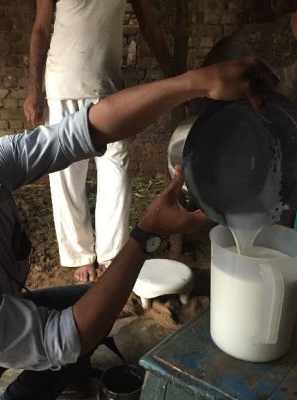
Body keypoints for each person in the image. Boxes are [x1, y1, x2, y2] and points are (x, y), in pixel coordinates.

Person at [0, 58, 278, 399]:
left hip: (1, 309)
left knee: (87, 303)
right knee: (69, 338)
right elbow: (65, 338)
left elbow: (84, 129)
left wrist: (198, 82)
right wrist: (146, 233)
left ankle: (70, 383)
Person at [23, 0, 175, 283]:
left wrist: (175, 77)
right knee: (67, 172)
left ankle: (112, 252)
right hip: (62, 83)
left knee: (118, 170)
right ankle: (79, 254)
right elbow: (41, 29)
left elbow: (150, 27)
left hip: (106, 86)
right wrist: (34, 89)